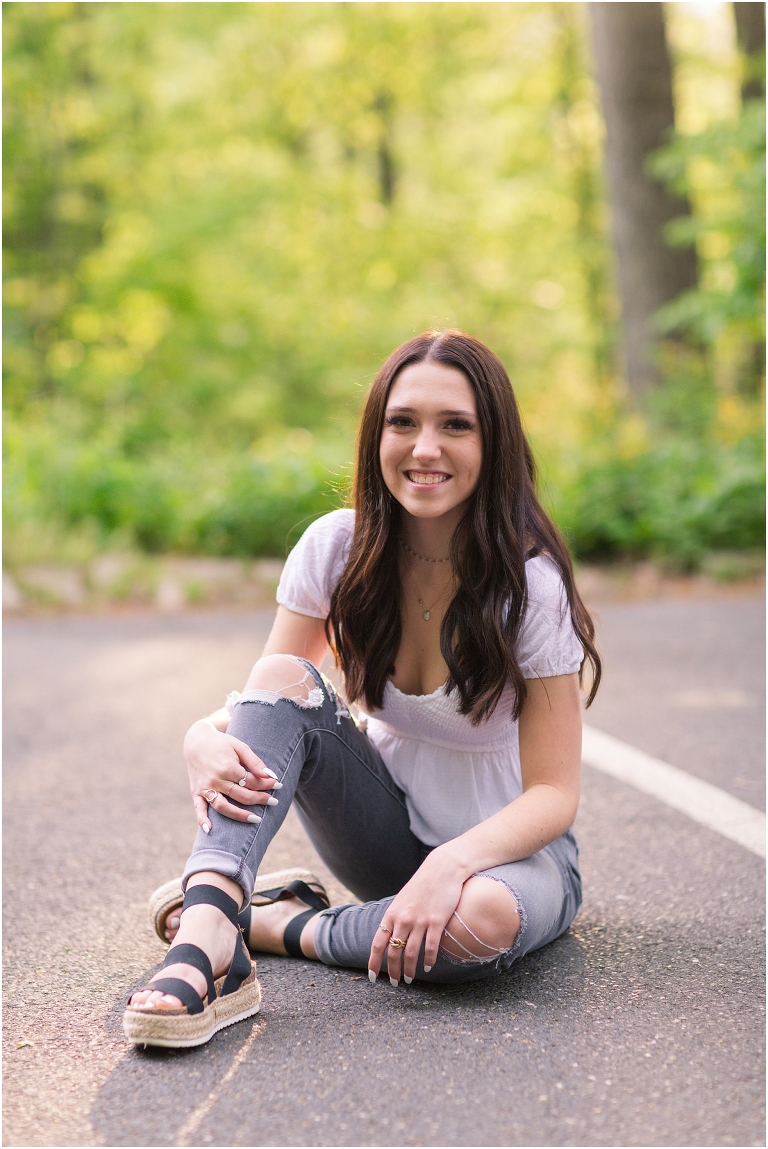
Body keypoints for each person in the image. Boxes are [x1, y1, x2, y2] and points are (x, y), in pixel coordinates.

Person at [123, 330, 601, 1049]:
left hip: (506, 866)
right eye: (403, 421)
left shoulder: (530, 588)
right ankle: (209, 930)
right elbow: (274, 698)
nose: (424, 448)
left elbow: (555, 794)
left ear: (494, 443)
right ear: (376, 434)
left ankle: (278, 925)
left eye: (455, 425)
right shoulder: (337, 548)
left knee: (477, 925)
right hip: (382, 838)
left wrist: (452, 863)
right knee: (282, 674)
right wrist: (200, 734)